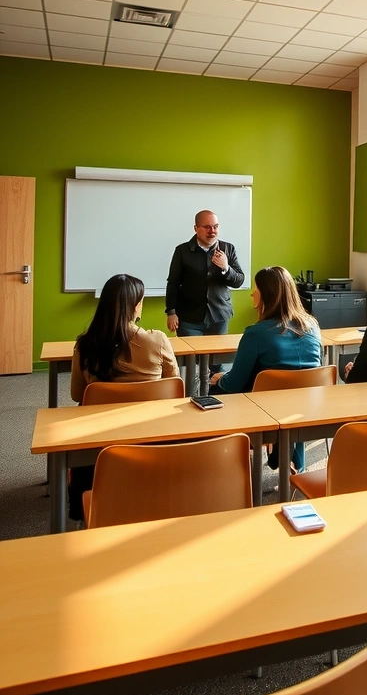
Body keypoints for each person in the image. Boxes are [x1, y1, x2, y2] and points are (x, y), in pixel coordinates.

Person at [69, 273, 179, 519]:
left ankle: (84, 508)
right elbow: (175, 390)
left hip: (98, 442)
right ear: (135, 306)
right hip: (151, 437)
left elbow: (78, 394)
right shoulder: (157, 340)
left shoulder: (85, 345)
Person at [210, 266, 322, 471]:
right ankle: (295, 465)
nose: (252, 293)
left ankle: (228, 467)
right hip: (306, 410)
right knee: (292, 394)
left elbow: (234, 383)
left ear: (266, 295)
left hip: (264, 411)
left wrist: (220, 378)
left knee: (216, 389)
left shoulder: (255, 333)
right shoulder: (312, 326)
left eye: (255, 288)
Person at [165, 210, 244, 381]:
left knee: (216, 364)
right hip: (188, 318)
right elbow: (172, 283)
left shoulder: (228, 249)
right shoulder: (182, 251)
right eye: (207, 227)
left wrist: (226, 268)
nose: (212, 231)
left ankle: (215, 398)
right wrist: (171, 312)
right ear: (196, 228)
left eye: (215, 226)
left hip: (219, 316)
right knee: (191, 364)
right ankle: (190, 399)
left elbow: (239, 280)